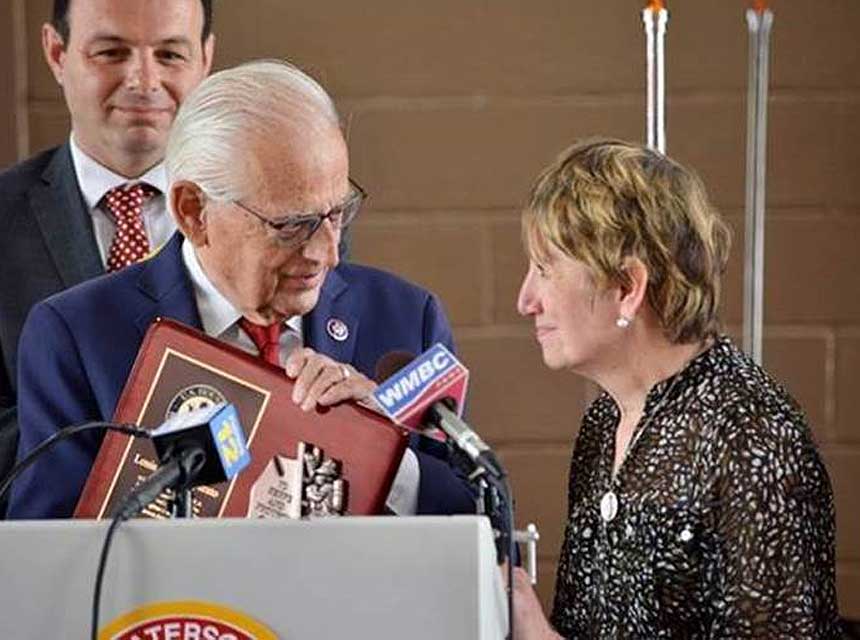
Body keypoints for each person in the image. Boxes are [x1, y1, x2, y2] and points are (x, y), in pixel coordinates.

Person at [7, 59, 475, 520]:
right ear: (192, 211)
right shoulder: (77, 336)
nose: (327, 254)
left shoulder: (405, 319)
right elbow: (50, 556)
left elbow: (477, 522)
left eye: (336, 213)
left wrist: (383, 456)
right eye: (292, 225)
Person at [510, 139, 841, 638]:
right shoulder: (604, 424)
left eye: (544, 269)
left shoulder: (752, 434)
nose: (525, 300)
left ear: (627, 287)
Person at [0, 0, 216, 514]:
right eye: (112, 52)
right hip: (50, 557)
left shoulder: (272, 217)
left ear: (206, 60)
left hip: (233, 562)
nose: (143, 80)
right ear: (56, 53)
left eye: (170, 54)